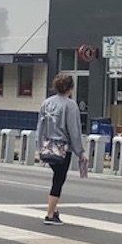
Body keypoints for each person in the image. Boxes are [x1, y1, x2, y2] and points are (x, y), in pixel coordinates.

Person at [35, 73, 84, 223]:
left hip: (48, 147)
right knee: (58, 180)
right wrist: (80, 152)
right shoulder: (71, 105)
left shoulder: (46, 103)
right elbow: (74, 130)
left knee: (56, 176)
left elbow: (40, 126)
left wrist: (39, 147)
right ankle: (50, 215)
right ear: (71, 88)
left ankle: (54, 209)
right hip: (63, 148)